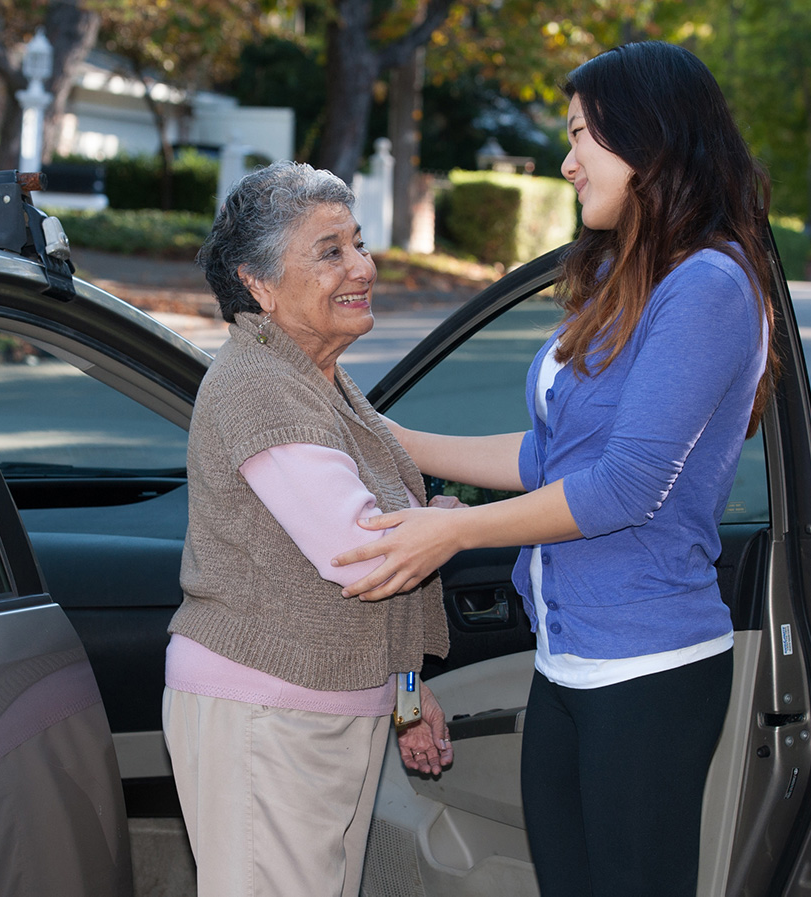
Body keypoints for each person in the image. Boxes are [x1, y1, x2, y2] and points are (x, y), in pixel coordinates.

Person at [332, 41, 779, 896]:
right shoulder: (624, 276)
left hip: (647, 670)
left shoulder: (710, 288)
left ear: (647, 140)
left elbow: (623, 487)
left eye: (580, 136)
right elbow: (549, 456)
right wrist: (382, 434)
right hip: (566, 659)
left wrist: (452, 528)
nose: (567, 163)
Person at [162, 160, 454, 897]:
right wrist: (453, 523)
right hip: (267, 716)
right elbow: (365, 553)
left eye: (356, 242)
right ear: (257, 284)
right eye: (330, 251)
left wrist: (408, 693)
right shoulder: (262, 386)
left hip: (317, 709)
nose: (362, 265)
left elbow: (376, 546)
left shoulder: (312, 374)